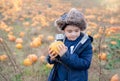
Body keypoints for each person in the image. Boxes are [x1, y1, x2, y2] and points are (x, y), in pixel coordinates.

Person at [47, 8, 93, 81]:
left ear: (80, 29)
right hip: (59, 77)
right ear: (64, 31)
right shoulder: (60, 41)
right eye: (69, 31)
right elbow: (54, 59)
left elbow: (85, 64)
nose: (73, 34)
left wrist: (65, 55)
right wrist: (51, 58)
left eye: (76, 31)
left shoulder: (85, 43)